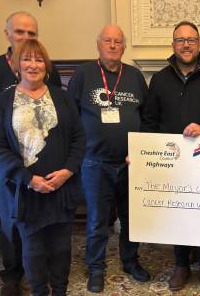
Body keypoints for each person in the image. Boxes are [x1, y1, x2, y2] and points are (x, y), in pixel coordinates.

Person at [141, 21, 200, 293]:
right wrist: (144, 154)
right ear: (173, 45)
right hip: (171, 161)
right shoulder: (159, 79)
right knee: (178, 214)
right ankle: (181, 264)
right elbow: (149, 121)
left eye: (191, 40)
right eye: (180, 40)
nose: (186, 44)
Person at [0, 40, 85, 296]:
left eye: (39, 60)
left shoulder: (62, 97)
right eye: (27, 59)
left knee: (62, 248)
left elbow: (79, 138)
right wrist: (28, 179)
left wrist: (67, 171)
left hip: (61, 188)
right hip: (27, 191)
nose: (33, 65)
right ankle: (40, 292)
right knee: (33, 250)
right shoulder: (2, 101)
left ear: (46, 65)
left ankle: (60, 291)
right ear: (17, 64)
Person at [0, 11, 62, 296]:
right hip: (10, 167)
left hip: (44, 163)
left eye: (32, 33)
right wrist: (14, 166)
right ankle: (12, 275)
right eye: (20, 32)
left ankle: (43, 271)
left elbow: (56, 115)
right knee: (13, 220)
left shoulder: (48, 68)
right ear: (7, 34)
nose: (26, 38)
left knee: (45, 221)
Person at [67, 25, 151, 293]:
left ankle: (130, 260)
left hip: (130, 162)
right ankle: (96, 267)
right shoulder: (83, 74)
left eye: (118, 42)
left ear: (124, 47)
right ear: (98, 45)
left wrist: (141, 150)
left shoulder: (136, 76)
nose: (113, 45)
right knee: (97, 220)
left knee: (131, 218)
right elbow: (70, 117)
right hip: (94, 162)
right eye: (108, 41)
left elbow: (147, 116)